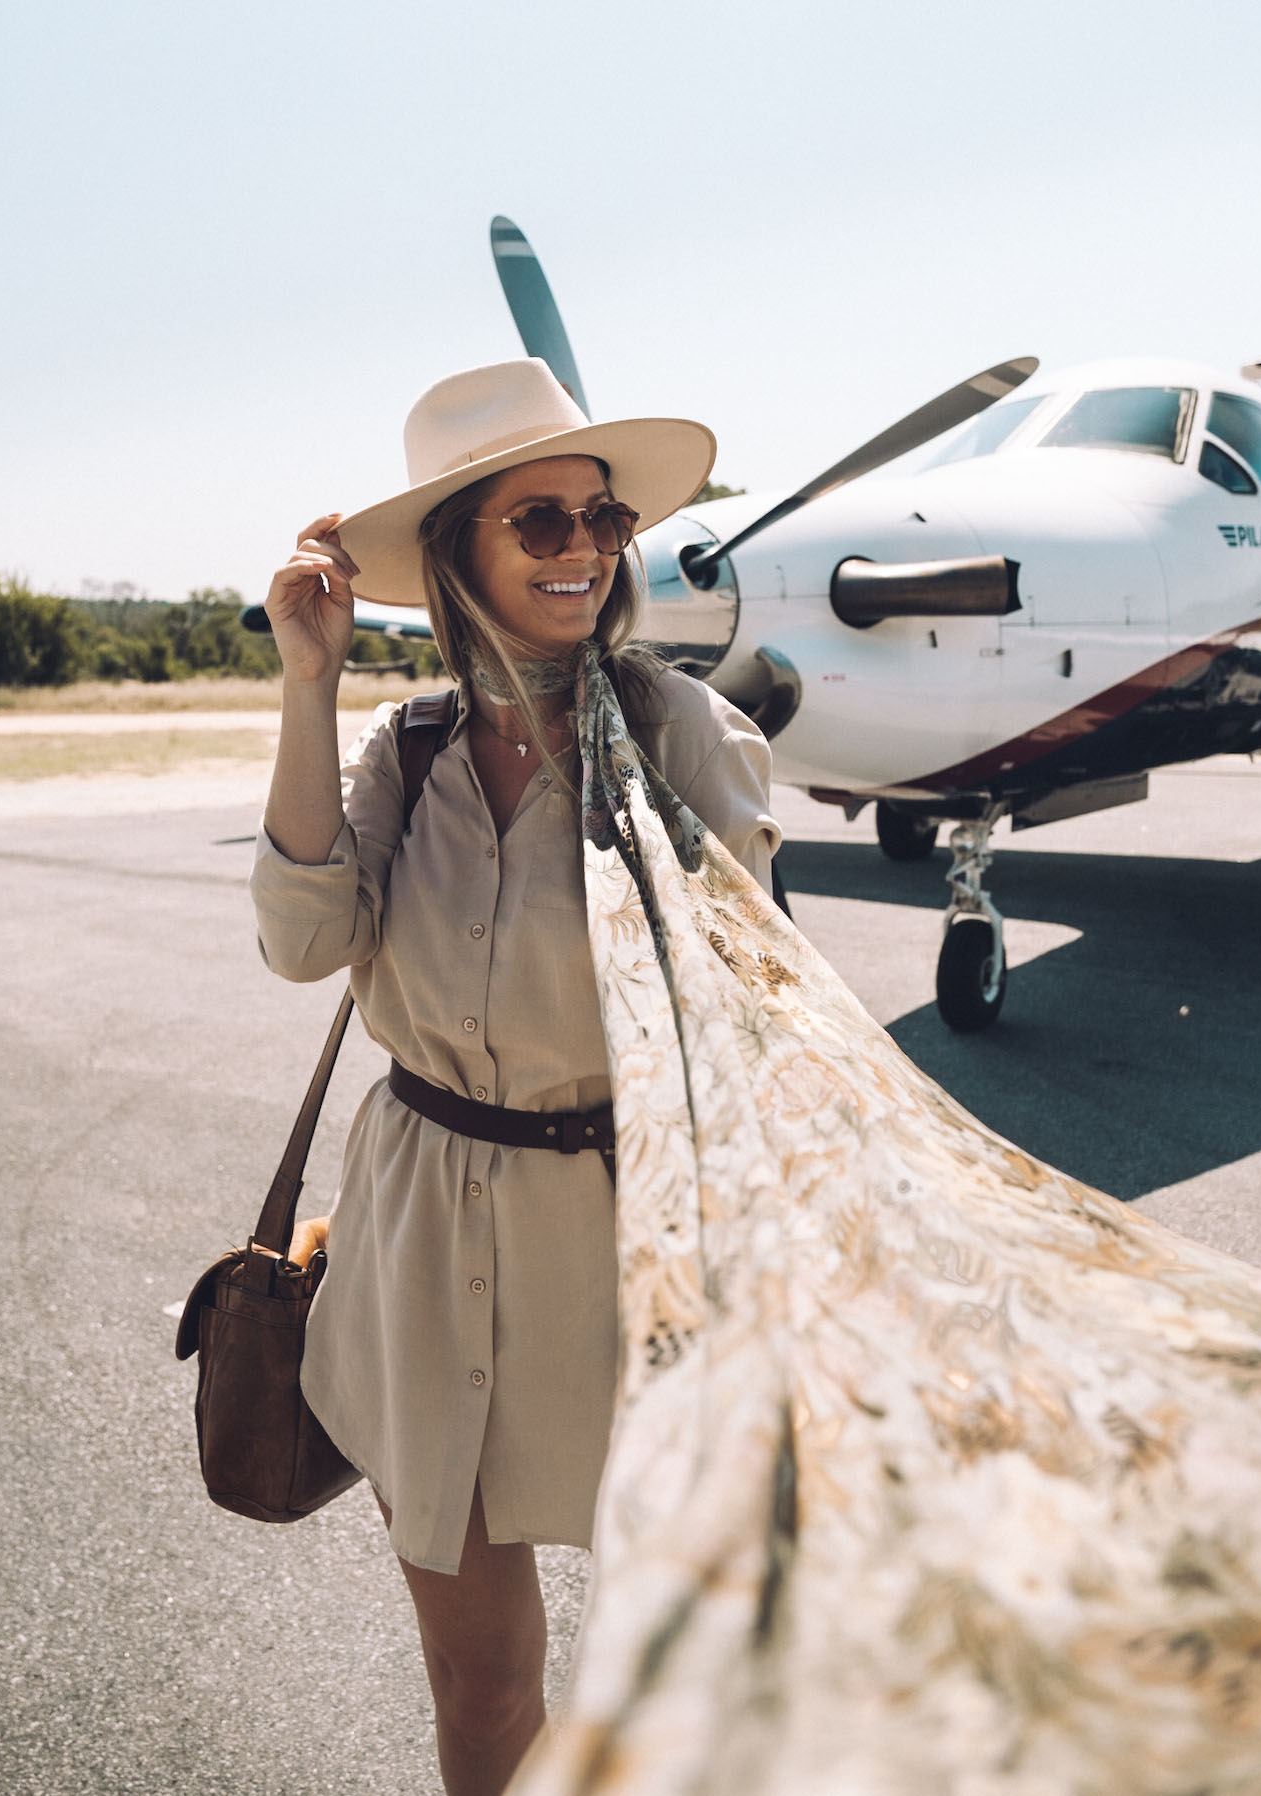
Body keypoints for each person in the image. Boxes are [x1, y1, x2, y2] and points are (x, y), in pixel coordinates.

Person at [250, 359, 780, 1796]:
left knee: (662, 1692)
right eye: (538, 521)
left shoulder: (683, 738)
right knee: (483, 1699)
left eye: (600, 522)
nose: (583, 551)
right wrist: (309, 691)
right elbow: (302, 946)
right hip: (420, 1237)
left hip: (631, 1242)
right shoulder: (402, 749)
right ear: (456, 554)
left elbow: (762, 1019)